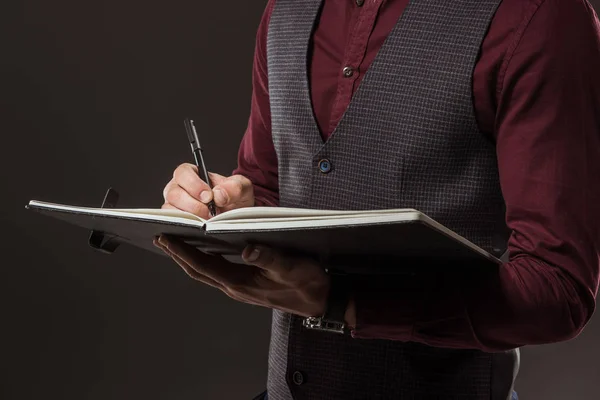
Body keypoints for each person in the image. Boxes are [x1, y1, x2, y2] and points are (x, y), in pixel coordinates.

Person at [154, 0, 600, 398]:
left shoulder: (540, 16)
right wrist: (227, 204)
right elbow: (268, 185)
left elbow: (557, 288)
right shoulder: (285, 9)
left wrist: (345, 302)